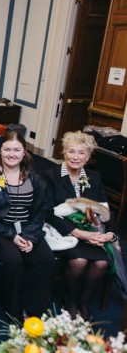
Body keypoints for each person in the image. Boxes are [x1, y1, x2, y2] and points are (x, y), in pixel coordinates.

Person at [0, 131, 55, 320]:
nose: (12, 154)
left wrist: (30, 236)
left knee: (45, 260)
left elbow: (40, 210)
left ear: (24, 152)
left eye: (16, 150)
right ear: (0, 151)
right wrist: (12, 236)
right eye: (7, 149)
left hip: (27, 229)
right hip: (0, 230)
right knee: (13, 262)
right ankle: (13, 309)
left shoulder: (34, 177)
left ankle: (32, 311)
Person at [44, 131, 116, 320]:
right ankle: (71, 301)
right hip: (63, 232)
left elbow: (105, 210)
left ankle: (83, 301)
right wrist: (78, 233)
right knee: (79, 262)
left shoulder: (94, 177)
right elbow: (47, 213)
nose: (76, 157)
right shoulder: (50, 176)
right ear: (64, 152)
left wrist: (109, 234)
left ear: (88, 156)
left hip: (92, 231)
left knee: (101, 263)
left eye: (81, 153)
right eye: (71, 151)